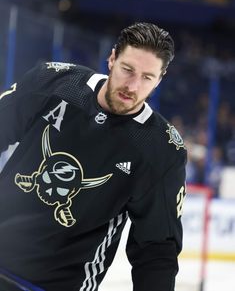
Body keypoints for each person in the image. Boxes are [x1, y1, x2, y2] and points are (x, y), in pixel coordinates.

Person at [0, 22, 187, 291]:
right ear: (112, 59)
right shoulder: (52, 83)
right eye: (127, 70)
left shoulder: (161, 150)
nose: (133, 86)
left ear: (160, 79)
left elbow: (156, 251)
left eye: (147, 77)